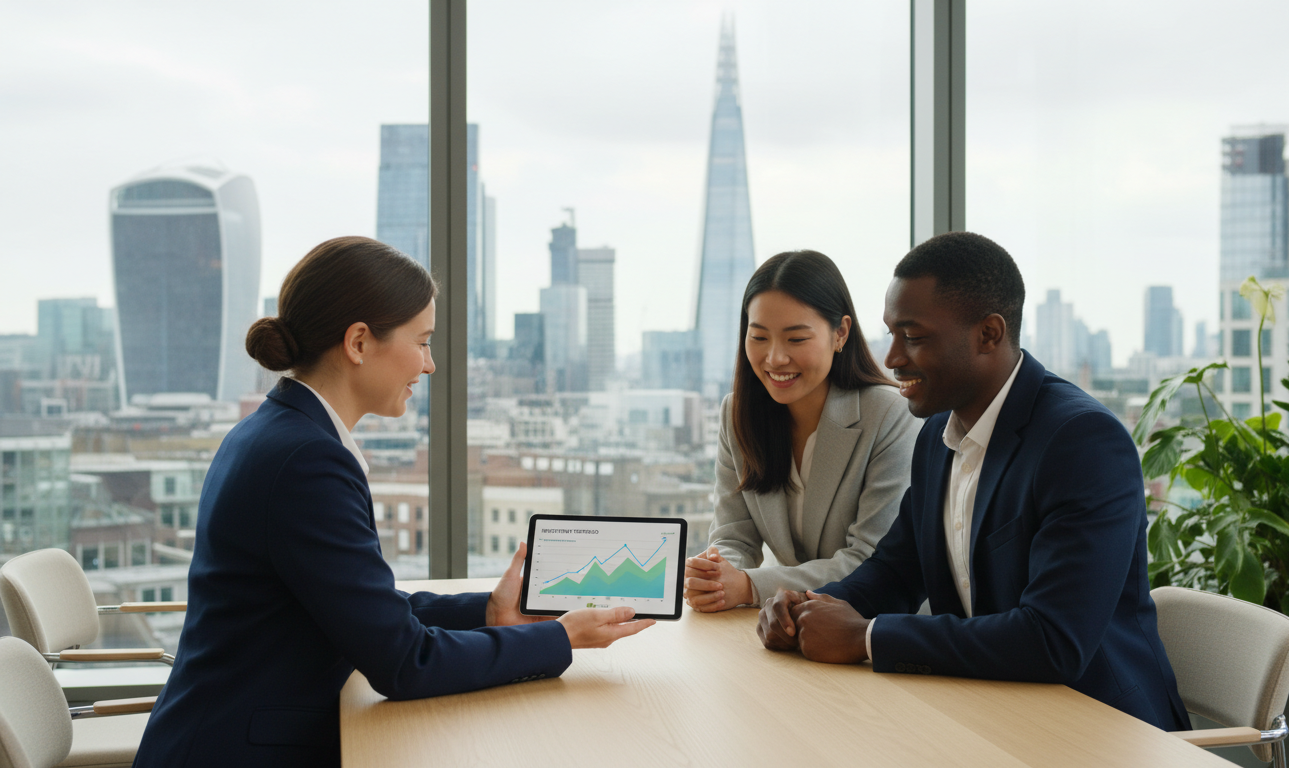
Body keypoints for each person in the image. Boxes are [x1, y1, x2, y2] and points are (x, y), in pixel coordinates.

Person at [134, 237, 653, 768]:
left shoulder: (278, 432)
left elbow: (358, 607)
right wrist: (558, 638)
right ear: (359, 342)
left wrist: (487, 610)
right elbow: (406, 663)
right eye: (422, 341)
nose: (429, 365)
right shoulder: (307, 460)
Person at [755, 232, 1191, 731]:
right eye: (891, 334)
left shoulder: (1082, 442)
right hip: (989, 712)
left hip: (1100, 728)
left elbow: (1053, 640)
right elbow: (896, 572)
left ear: (988, 334)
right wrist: (806, 610)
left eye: (913, 337)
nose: (892, 357)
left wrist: (866, 637)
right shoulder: (937, 433)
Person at [683, 250, 920, 612]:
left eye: (795, 339)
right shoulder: (738, 413)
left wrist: (748, 586)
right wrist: (717, 574)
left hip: (877, 628)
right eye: (759, 337)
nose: (775, 358)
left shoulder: (888, 414)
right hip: (793, 626)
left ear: (840, 333)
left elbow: (870, 561)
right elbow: (734, 536)